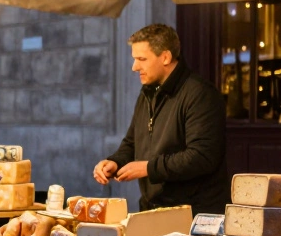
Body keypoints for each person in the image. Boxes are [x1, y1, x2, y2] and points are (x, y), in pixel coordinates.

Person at [93, 24, 229, 214]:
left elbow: (202, 157)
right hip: (153, 210)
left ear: (165, 57)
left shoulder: (200, 94)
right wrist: (115, 162)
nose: (134, 67)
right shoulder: (147, 93)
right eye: (134, 59)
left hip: (194, 215)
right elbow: (132, 143)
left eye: (141, 59)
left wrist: (149, 168)